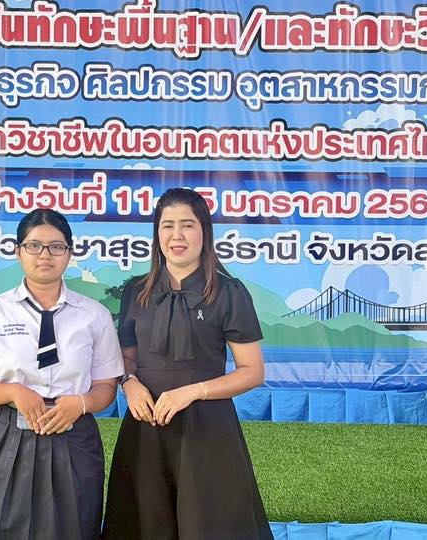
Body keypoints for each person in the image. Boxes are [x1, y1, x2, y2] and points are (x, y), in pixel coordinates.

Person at [102, 188, 273, 540]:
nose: (176, 235)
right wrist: (129, 384)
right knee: (143, 524)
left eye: (187, 225)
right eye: (167, 226)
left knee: (210, 525)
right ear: (157, 234)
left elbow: (252, 371)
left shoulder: (229, 292)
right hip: (146, 427)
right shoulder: (135, 291)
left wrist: (193, 392)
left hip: (207, 429)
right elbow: (126, 357)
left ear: (204, 232)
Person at [0, 208, 124, 540]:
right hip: (3, 434)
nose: (45, 255)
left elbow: (106, 386)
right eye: (34, 246)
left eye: (56, 247)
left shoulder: (94, 316)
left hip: (72, 434)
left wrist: (81, 404)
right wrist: (14, 392)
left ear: (69, 253)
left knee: (71, 525)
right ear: (18, 252)